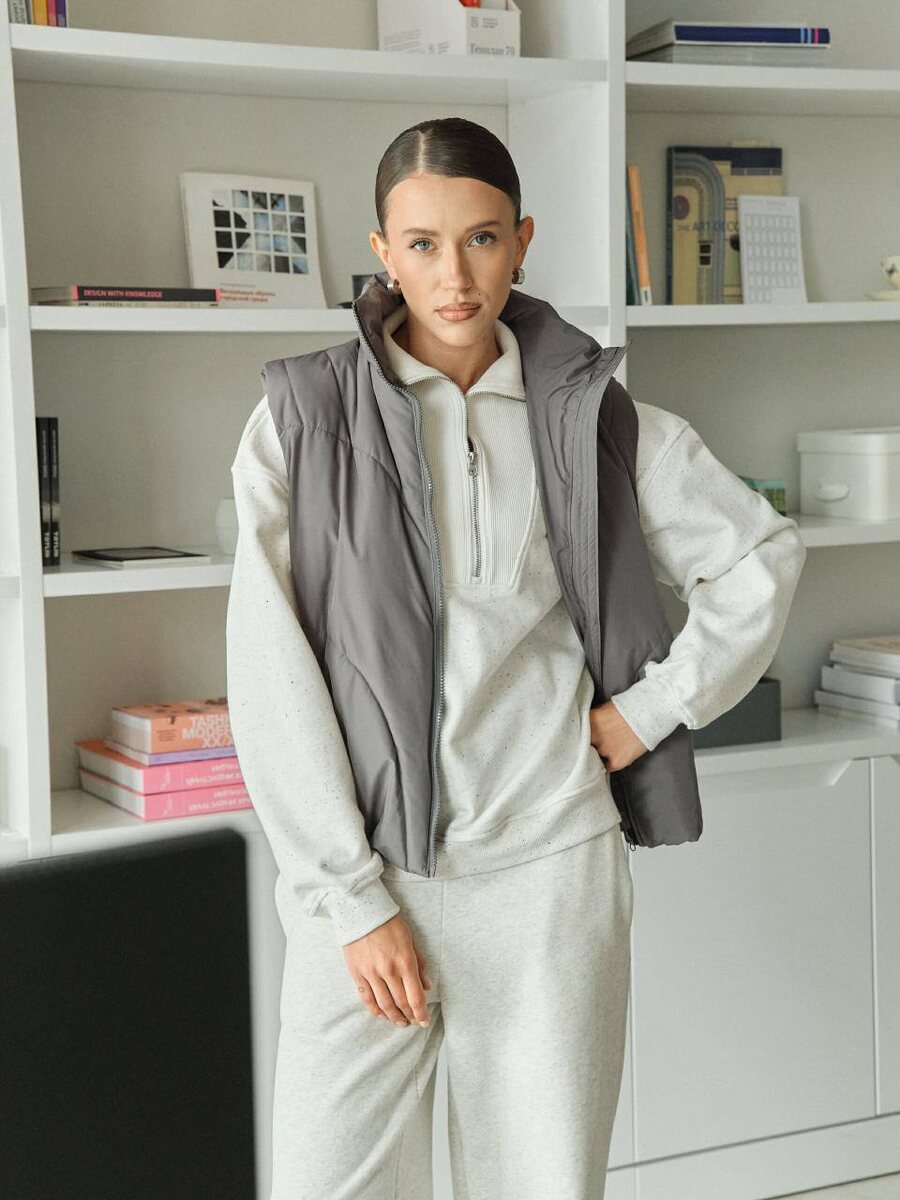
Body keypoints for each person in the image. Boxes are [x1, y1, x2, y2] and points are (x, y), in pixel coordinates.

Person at [225, 117, 807, 1199]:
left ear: (522, 241)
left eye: (482, 239)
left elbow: (760, 556)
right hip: (373, 881)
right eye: (423, 243)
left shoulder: (597, 418)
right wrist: (352, 901)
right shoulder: (299, 421)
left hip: (551, 873)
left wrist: (651, 710)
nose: (455, 276)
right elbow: (271, 675)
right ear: (383, 251)